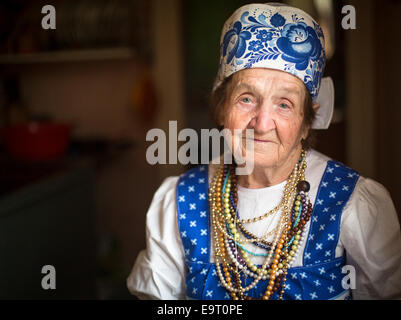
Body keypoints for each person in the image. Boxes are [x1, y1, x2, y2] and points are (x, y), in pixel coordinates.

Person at [127, 3, 401, 300]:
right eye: (246, 99)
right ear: (221, 109)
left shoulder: (352, 203)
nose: (261, 123)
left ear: (307, 122)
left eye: (284, 104)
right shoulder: (180, 201)